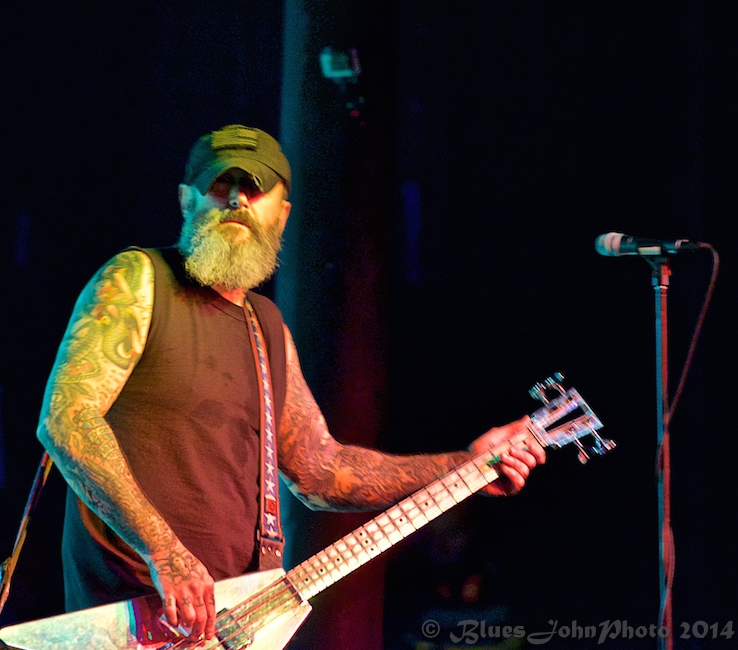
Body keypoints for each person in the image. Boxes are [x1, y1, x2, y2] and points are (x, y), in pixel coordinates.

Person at [36, 124, 546, 643]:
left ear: (281, 213)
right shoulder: (139, 278)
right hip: (134, 620)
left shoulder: (267, 328)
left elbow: (322, 471)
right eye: (220, 184)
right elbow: (67, 418)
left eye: (255, 188)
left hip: (232, 625)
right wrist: (165, 552)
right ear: (186, 200)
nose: (237, 198)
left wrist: (467, 465)